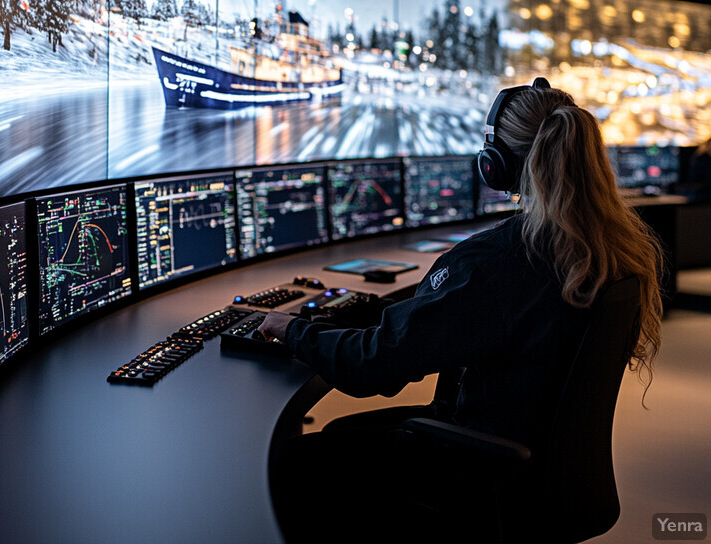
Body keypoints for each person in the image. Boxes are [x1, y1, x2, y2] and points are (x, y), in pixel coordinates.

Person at [258, 78, 663, 541]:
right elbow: (442, 322)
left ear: (499, 165)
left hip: (480, 466)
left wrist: (292, 331)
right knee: (348, 432)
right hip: (539, 466)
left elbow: (376, 367)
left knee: (302, 460)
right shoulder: (612, 249)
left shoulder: (495, 262)